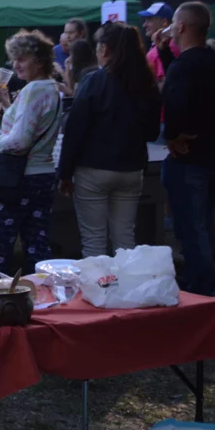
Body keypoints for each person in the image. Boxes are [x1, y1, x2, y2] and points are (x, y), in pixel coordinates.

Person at [58, 23, 160, 257]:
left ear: (105, 49)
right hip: (131, 168)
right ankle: (129, 288)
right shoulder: (147, 84)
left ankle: (98, 288)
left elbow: (75, 130)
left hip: (93, 169)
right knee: (125, 237)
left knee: (94, 240)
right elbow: (152, 132)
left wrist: (65, 172)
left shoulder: (94, 81)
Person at [154, 2, 215, 297]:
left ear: (182, 26)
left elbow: (174, 102)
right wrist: (162, 51)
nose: (170, 27)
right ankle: (203, 281)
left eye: (173, 22)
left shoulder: (185, 65)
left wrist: (172, 138)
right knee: (204, 225)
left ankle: (200, 289)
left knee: (190, 228)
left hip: (190, 158)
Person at [0, 31, 63, 274]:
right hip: (43, 175)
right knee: (37, 244)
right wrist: (6, 101)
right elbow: (28, 125)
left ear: (40, 60)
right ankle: (42, 297)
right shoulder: (51, 89)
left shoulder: (33, 90)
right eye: (14, 59)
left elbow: (20, 141)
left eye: (22, 59)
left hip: (17, 179)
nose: (16, 64)